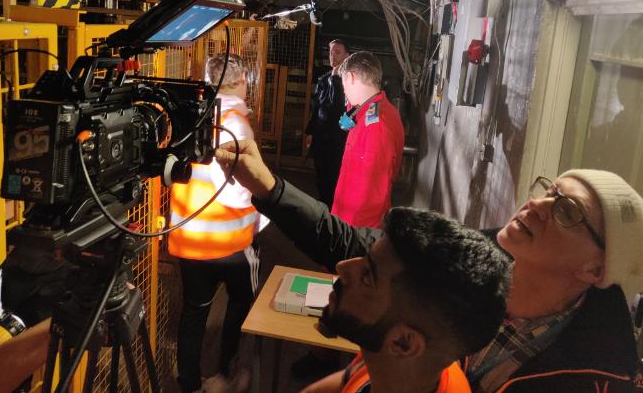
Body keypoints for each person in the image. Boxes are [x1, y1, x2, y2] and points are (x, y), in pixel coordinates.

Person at [215, 140, 643, 393]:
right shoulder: (476, 262)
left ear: (595, 270)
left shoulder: (600, 374)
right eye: (549, 190)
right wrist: (266, 186)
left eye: (567, 211)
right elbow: (358, 247)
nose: (539, 204)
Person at [168, 54, 262, 393]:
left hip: (189, 238)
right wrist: (261, 216)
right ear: (242, 81)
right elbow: (239, 191)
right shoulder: (236, 123)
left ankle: (190, 384)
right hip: (231, 243)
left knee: (193, 313)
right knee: (242, 304)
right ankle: (228, 373)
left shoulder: (189, 116)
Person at [332, 51, 405, 228]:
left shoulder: (375, 125)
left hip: (357, 225)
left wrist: (347, 232)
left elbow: (370, 192)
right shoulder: (374, 109)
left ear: (350, 77)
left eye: (344, 86)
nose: (345, 92)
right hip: (350, 217)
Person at [305, 39, 350, 208]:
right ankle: (324, 204)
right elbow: (316, 107)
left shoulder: (348, 82)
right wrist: (310, 131)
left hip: (337, 138)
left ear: (347, 56)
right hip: (320, 136)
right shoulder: (324, 79)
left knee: (334, 175)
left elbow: (338, 107)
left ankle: (333, 208)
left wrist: (336, 78)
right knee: (320, 173)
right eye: (331, 52)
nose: (333, 56)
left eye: (337, 52)